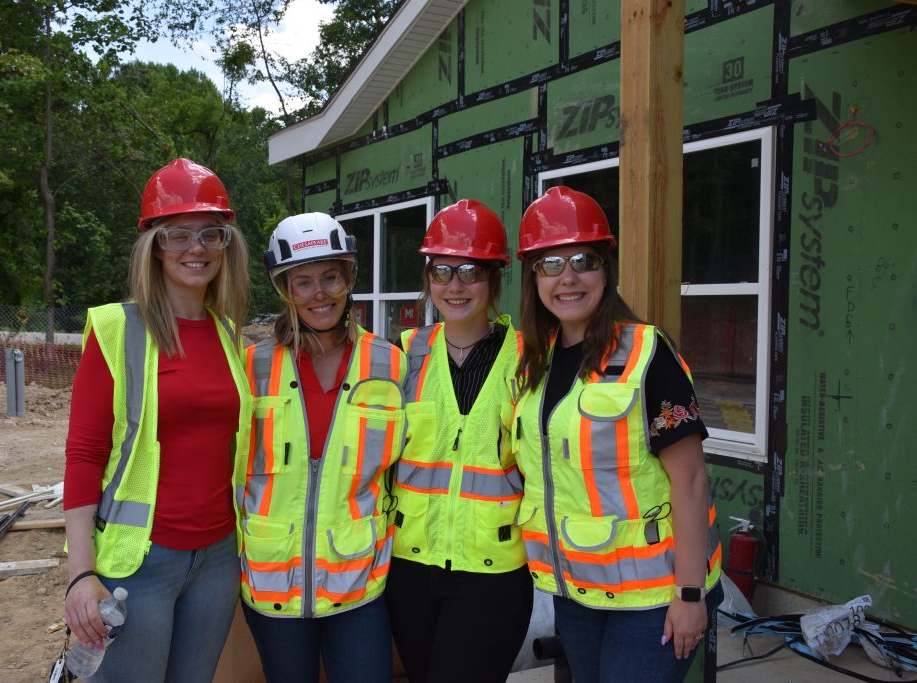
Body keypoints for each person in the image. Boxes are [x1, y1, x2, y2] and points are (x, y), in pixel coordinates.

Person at [510, 186, 723, 683]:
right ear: (533, 278)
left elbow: (690, 481)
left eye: (582, 260)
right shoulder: (533, 365)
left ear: (605, 268)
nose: (567, 278)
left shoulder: (647, 354)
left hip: (654, 596)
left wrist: (689, 594)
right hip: (578, 593)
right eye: (550, 264)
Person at [63, 158, 253, 682]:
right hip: (139, 568)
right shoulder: (116, 329)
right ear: (154, 245)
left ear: (226, 245)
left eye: (211, 234)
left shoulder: (230, 335)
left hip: (217, 559)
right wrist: (80, 573)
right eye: (178, 235)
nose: (196, 248)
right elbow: (83, 455)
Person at [238, 212, 407, 683]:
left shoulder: (390, 363)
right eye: (303, 281)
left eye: (330, 277)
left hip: (359, 584)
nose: (319, 294)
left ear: (349, 278)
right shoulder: (251, 368)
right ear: (284, 289)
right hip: (273, 581)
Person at [385, 200, 533, 682]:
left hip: (492, 573)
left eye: (470, 271)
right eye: (442, 271)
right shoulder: (403, 355)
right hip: (409, 569)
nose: (455, 286)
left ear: (494, 279)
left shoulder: (530, 359)